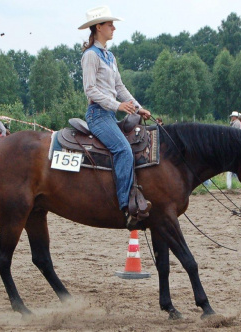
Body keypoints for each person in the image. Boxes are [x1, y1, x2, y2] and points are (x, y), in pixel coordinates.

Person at [79, 5, 152, 226]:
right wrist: (118, 105)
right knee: (123, 149)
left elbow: (120, 86)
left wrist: (138, 107)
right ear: (98, 27)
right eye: (110, 24)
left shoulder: (109, 56)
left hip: (109, 115)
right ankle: (125, 205)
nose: (113, 28)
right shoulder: (90, 56)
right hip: (98, 115)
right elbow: (90, 89)